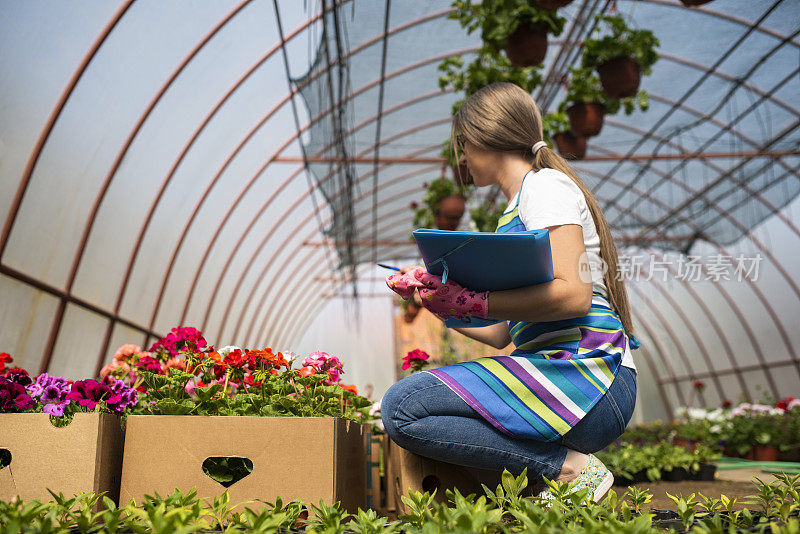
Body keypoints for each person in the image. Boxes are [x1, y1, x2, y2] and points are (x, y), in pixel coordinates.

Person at [381, 82, 642, 502]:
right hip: (564, 377)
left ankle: (567, 469)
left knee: (404, 406)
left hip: (589, 377)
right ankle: (555, 477)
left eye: (463, 146)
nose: (462, 159)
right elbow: (503, 333)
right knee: (406, 408)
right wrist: (439, 302)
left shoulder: (544, 188)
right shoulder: (518, 206)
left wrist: (474, 300)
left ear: (484, 137)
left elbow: (573, 296)